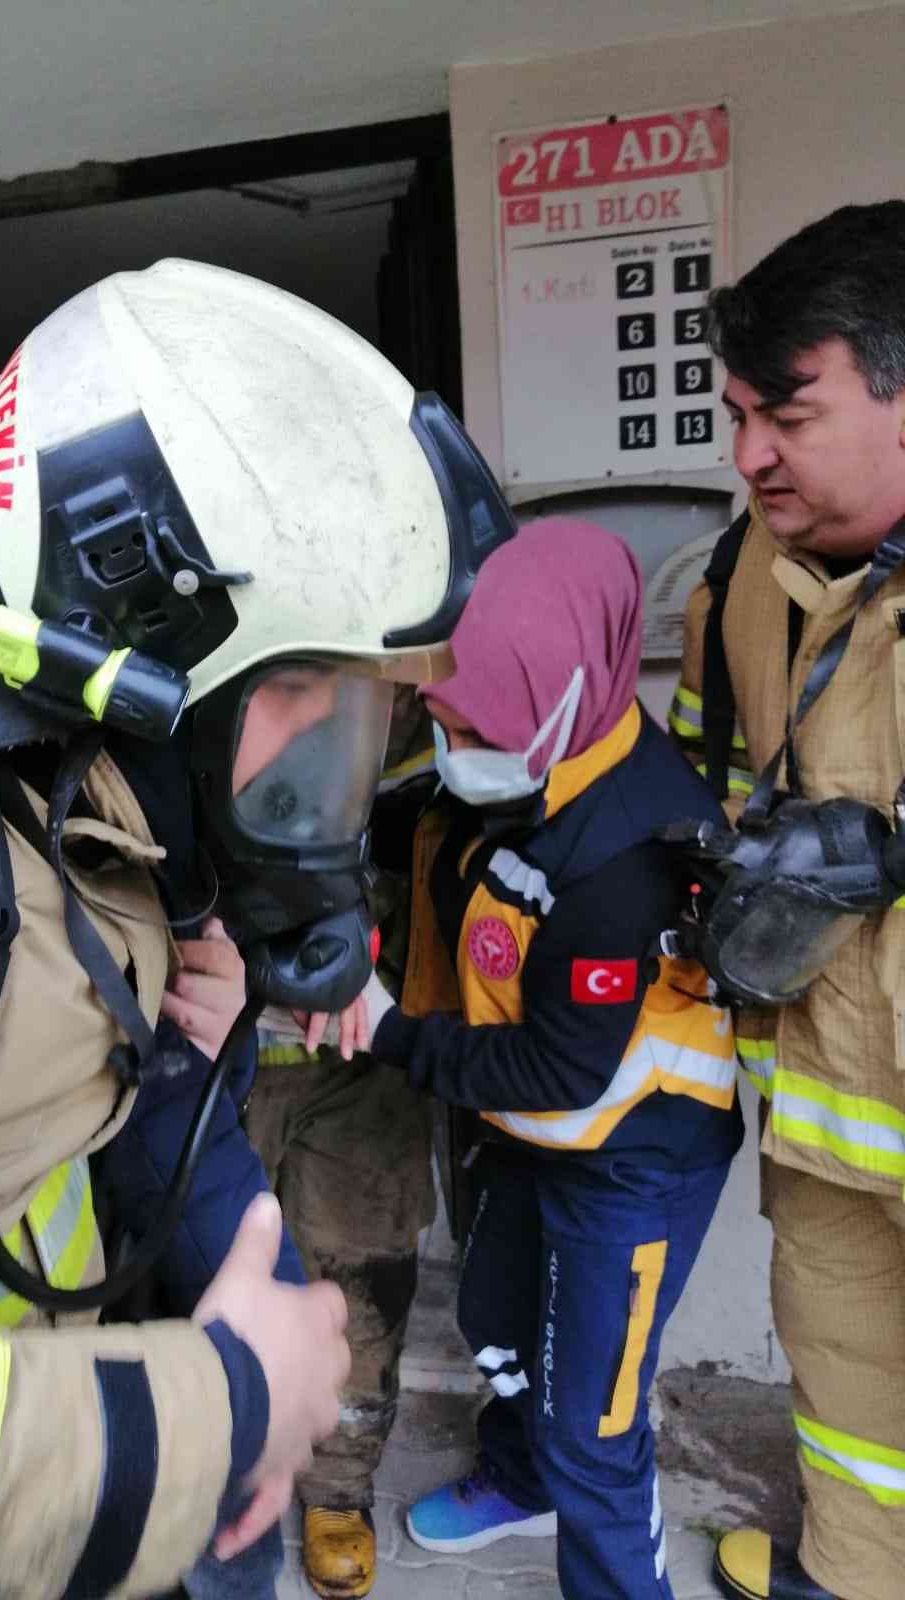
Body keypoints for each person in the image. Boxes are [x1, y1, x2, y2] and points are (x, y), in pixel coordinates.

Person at [0, 259, 517, 1598]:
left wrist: (188, 1038)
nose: (336, 756)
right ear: (140, 625)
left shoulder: (67, 825)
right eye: (310, 686)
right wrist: (229, 1407)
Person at [356, 518, 744, 1600]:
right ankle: (524, 1475)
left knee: (597, 1429)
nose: (441, 727)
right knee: (500, 1320)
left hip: (630, 1163)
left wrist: (382, 1027)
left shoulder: (627, 861)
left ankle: (603, 1549)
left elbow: (557, 1072)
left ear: (552, 697)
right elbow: (427, 838)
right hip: (534, 1141)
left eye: (459, 715)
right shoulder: (528, 758)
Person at [667, 202, 905, 1600]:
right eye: (737, 412)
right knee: (854, 1423)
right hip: (823, 1133)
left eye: (789, 414)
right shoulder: (737, 576)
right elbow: (711, 786)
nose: (749, 452)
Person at [244, 688, 439, 1599]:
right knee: (204, 1268)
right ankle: (226, 1467)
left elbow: (430, 850)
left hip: (365, 1054)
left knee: (359, 1274)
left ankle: (337, 1488)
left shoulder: (398, 697)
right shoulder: (203, 678)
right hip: (220, 1048)